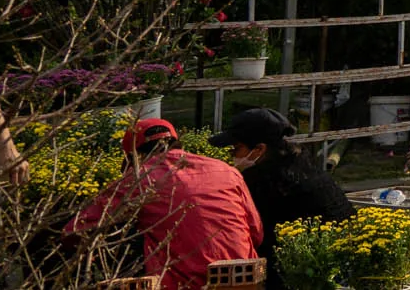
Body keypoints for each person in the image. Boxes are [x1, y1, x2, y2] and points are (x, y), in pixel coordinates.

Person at [66, 118, 263, 290]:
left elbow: (75, 230)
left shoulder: (140, 179)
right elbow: (256, 233)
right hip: (243, 278)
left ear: (133, 156)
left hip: (186, 284)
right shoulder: (226, 170)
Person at [212, 108, 353, 288]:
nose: (231, 155)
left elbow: (250, 236)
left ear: (259, 149)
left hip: (309, 270)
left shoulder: (266, 181)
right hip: (331, 262)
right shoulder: (298, 163)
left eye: (236, 149)